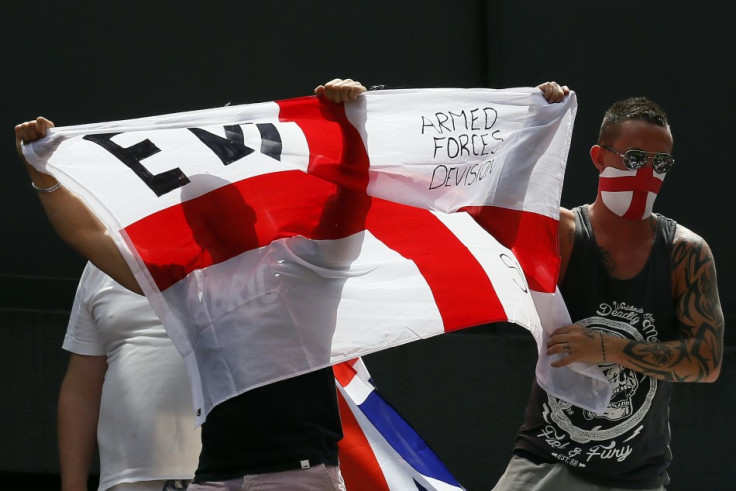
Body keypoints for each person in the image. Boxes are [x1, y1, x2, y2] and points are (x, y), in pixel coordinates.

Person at [16, 78, 569, 490]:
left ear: (253, 210)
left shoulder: (303, 266)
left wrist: (352, 130)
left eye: (216, 204)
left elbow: (349, 203)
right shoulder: (188, 285)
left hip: (297, 477)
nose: (203, 214)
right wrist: (43, 173)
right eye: (196, 210)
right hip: (215, 475)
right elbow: (88, 236)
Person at [493, 96, 724, 490]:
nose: (647, 174)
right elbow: (486, 211)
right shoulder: (563, 233)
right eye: (634, 158)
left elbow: (707, 362)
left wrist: (606, 348)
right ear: (599, 157)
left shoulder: (685, 251)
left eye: (660, 163)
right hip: (546, 463)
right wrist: (539, 118)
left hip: (635, 477)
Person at [59, 261, 201, 491]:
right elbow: (81, 391)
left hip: (234, 473)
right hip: (127, 479)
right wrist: (73, 485)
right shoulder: (100, 262)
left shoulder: (243, 246)